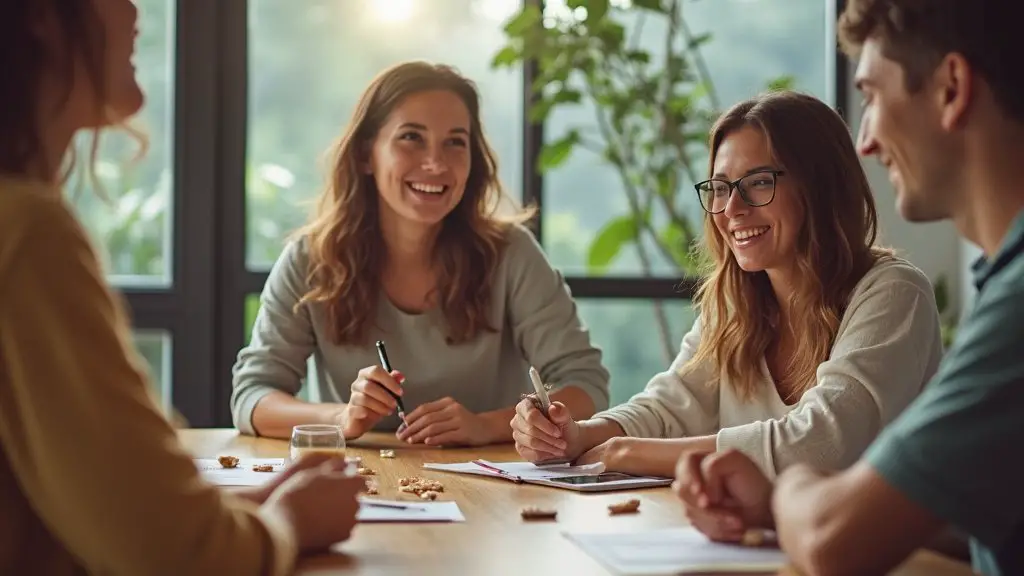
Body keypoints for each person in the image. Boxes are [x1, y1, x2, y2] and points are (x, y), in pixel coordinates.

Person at [0, 1, 364, 574]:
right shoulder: (29, 233)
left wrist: (255, 503)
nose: (133, 9)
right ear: (42, 14)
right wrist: (291, 521)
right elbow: (177, 557)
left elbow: (78, 511)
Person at [673, 1, 1024, 575]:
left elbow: (833, 542)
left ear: (952, 88)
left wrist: (795, 487)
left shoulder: (1013, 306)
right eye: (719, 188)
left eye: (873, 97)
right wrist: (779, 499)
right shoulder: (1005, 282)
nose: (864, 141)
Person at [511, 89, 944, 479]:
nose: (731, 208)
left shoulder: (894, 294)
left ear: (820, 187)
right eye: (719, 187)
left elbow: (821, 444)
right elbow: (670, 406)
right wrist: (577, 434)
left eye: (758, 182)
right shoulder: (738, 302)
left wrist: (627, 452)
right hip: (766, 543)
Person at [231, 60, 609, 445]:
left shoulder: (512, 254)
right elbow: (253, 397)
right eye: (411, 137)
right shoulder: (310, 259)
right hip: (351, 487)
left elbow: (585, 385)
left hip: (493, 490)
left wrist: (487, 425)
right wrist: (341, 417)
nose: (435, 163)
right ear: (366, 155)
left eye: (455, 142)